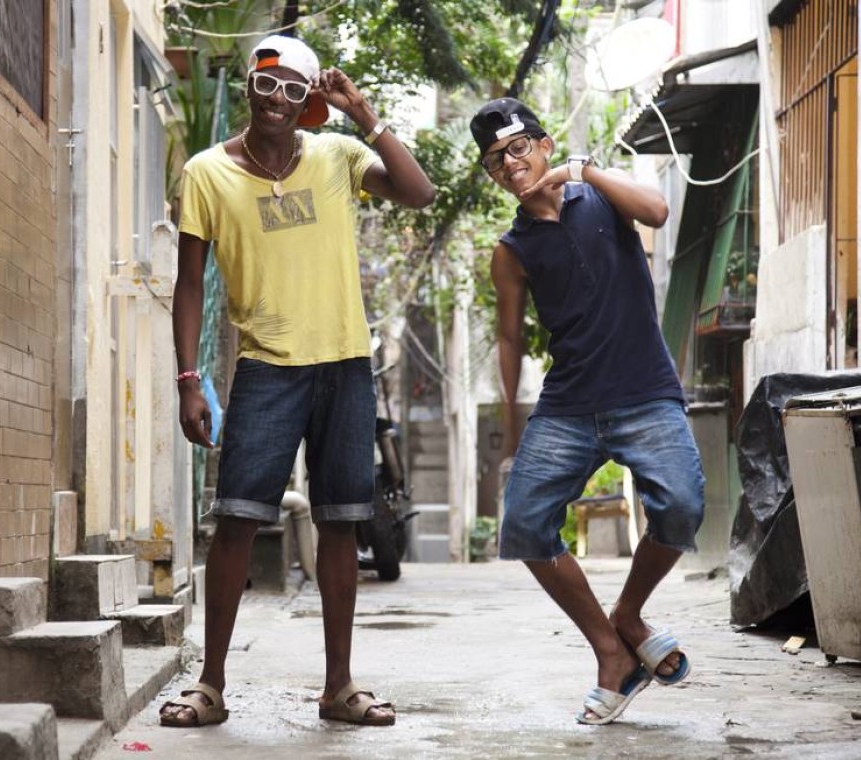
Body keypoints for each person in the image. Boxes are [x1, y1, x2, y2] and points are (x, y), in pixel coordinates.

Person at [160, 35, 435, 728]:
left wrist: (363, 113)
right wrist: (189, 378)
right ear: (250, 85)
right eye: (266, 82)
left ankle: (339, 687)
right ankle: (210, 684)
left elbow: (417, 192)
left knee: (341, 526)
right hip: (265, 369)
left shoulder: (338, 156)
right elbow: (189, 281)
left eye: (293, 89)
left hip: (344, 366)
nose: (276, 98)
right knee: (236, 523)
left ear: (308, 99)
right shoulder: (206, 173)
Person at [471, 97, 705, 725]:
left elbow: (657, 210)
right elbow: (510, 339)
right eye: (495, 160)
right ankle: (611, 651)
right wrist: (515, 430)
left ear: (544, 144)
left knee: (681, 506)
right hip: (569, 403)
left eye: (518, 147)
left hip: (644, 391)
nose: (510, 164)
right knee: (523, 522)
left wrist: (584, 170)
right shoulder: (511, 249)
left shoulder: (602, 199)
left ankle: (629, 614)